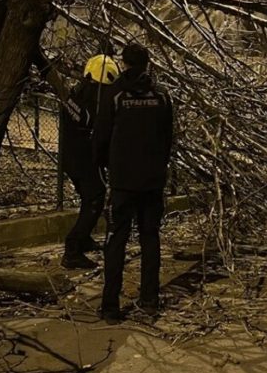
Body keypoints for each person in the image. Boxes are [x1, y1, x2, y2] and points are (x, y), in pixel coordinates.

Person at [93, 43, 174, 324]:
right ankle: (149, 299)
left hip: (123, 182)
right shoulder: (162, 96)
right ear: (148, 64)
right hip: (152, 181)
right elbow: (168, 139)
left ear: (123, 63)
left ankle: (110, 306)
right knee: (150, 239)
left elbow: (101, 136)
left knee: (117, 240)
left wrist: (104, 167)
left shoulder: (114, 94)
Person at [35, 50, 120, 268]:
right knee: (95, 199)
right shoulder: (95, 99)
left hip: (70, 157)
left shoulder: (75, 94)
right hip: (85, 159)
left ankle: (83, 240)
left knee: (87, 198)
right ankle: (72, 249)